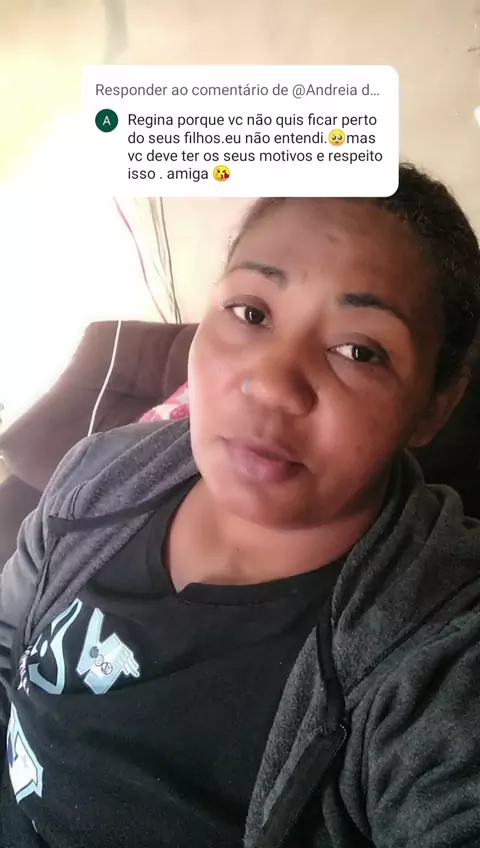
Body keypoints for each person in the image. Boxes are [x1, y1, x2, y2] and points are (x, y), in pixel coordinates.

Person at [1, 163, 480, 848]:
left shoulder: (433, 649)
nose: (273, 383)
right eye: (251, 313)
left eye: (358, 350)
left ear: (436, 405)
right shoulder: (97, 472)